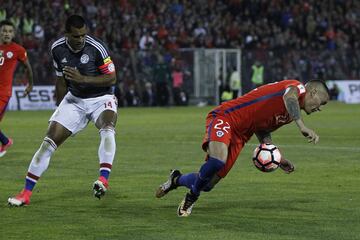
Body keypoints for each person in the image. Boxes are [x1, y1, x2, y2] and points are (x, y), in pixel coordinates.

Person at [156, 79, 330, 217]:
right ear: (313, 92)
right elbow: (289, 97)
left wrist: (278, 158)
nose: (319, 109)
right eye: (321, 103)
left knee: (208, 184)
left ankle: (176, 180)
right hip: (226, 117)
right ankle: (191, 197)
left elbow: (262, 129)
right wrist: (302, 126)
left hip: (241, 135)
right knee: (217, 160)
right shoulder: (297, 87)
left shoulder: (287, 116)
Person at [8, 15, 117, 206]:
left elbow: (112, 78)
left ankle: (103, 179)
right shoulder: (57, 48)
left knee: (107, 129)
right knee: (47, 143)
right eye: (76, 36)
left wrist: (83, 79)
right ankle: (25, 194)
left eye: (84, 35)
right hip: (74, 100)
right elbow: (60, 80)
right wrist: (60, 109)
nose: (81, 39)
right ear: (67, 34)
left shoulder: (96, 47)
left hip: (101, 98)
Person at [0, 20, 33, 157]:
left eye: (9, 31)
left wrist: (30, 85)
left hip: (3, 92)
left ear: (13, 34)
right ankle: (6, 141)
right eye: (4, 31)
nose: (7, 33)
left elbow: (28, 68)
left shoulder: (18, 49)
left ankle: (6, 141)